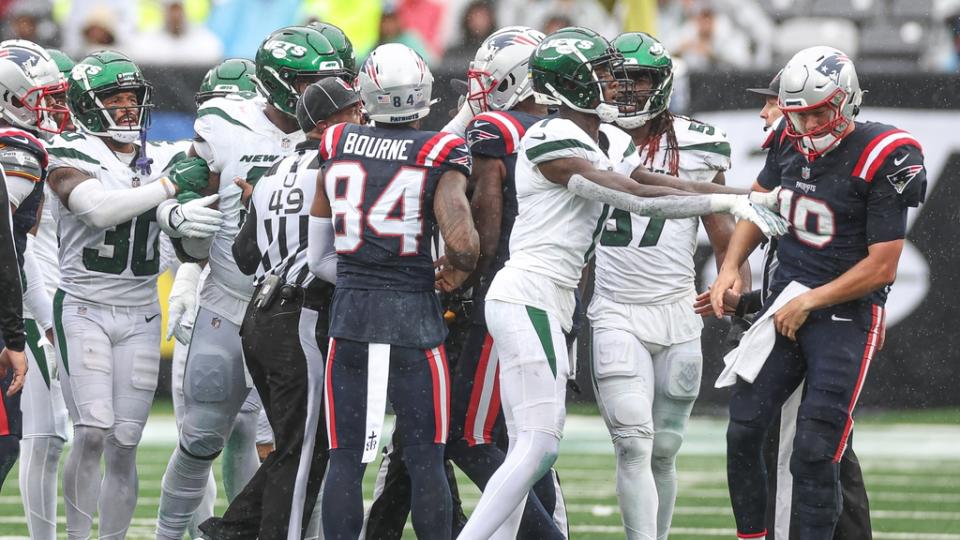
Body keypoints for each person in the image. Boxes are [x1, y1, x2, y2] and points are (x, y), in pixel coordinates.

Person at [455, 26, 786, 539]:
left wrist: (748, 194)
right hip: (532, 295)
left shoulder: (600, 138)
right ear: (572, 83)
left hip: (550, 300)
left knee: (527, 443)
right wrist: (730, 201)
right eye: (603, 74)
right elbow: (634, 195)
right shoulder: (551, 135)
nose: (614, 83)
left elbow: (657, 181)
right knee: (539, 443)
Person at [710, 46, 926, 540]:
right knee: (744, 430)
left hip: (846, 315)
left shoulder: (886, 152)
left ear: (846, 101)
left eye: (816, 112)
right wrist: (730, 265)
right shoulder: (787, 136)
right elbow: (761, 205)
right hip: (787, 304)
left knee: (814, 451)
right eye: (797, 114)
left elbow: (883, 265)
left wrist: (810, 300)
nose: (806, 126)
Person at [364, 26, 568, 540]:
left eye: (488, 77)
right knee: (510, 436)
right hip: (551, 297)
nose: (478, 87)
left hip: (500, 296)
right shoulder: (567, 131)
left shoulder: (495, 131)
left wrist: (460, 277)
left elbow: (486, 227)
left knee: (469, 435)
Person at [154, 25, 349, 540]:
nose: (334, 92)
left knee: (301, 447)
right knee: (200, 440)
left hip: (307, 310)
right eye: (318, 81)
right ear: (282, 83)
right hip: (231, 300)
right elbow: (184, 181)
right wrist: (175, 215)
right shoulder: (227, 122)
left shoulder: (351, 131)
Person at [45, 49, 218, 540]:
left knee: (125, 441)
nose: (125, 107)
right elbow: (97, 210)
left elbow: (221, 169)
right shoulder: (68, 152)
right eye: (112, 98)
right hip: (84, 306)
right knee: (93, 430)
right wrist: (167, 188)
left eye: (131, 97)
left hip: (142, 308)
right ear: (84, 105)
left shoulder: (166, 152)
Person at [311, 42, 480, 540]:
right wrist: (453, 274)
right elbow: (465, 245)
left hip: (352, 317)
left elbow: (319, 246)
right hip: (413, 318)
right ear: (423, 91)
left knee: (345, 459)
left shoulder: (337, 140)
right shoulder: (440, 151)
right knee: (426, 458)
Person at [589, 32, 753, 540]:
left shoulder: (700, 143)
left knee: (665, 446)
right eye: (618, 80)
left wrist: (737, 293)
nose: (627, 91)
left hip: (679, 310)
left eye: (637, 78)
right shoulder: (589, 136)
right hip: (616, 307)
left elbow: (724, 232)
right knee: (634, 441)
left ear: (661, 83)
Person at [195, 77, 361, 540]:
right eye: (352, 112)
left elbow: (246, 256)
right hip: (301, 318)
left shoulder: (273, 170)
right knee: (303, 450)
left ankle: (226, 530)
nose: (361, 119)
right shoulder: (342, 167)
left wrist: (268, 214)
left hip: (260, 317)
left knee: (305, 445)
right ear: (327, 123)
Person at [162, 56, 261, 540]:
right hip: (216, 300)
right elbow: (180, 228)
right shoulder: (194, 155)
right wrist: (181, 253)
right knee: (202, 435)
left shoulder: (289, 144)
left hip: (277, 303)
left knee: (270, 440)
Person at [0, 39, 65, 494]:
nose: (53, 108)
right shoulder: (16, 147)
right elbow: (3, 244)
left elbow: (17, 253)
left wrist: (45, 321)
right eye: (43, 97)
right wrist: (12, 334)